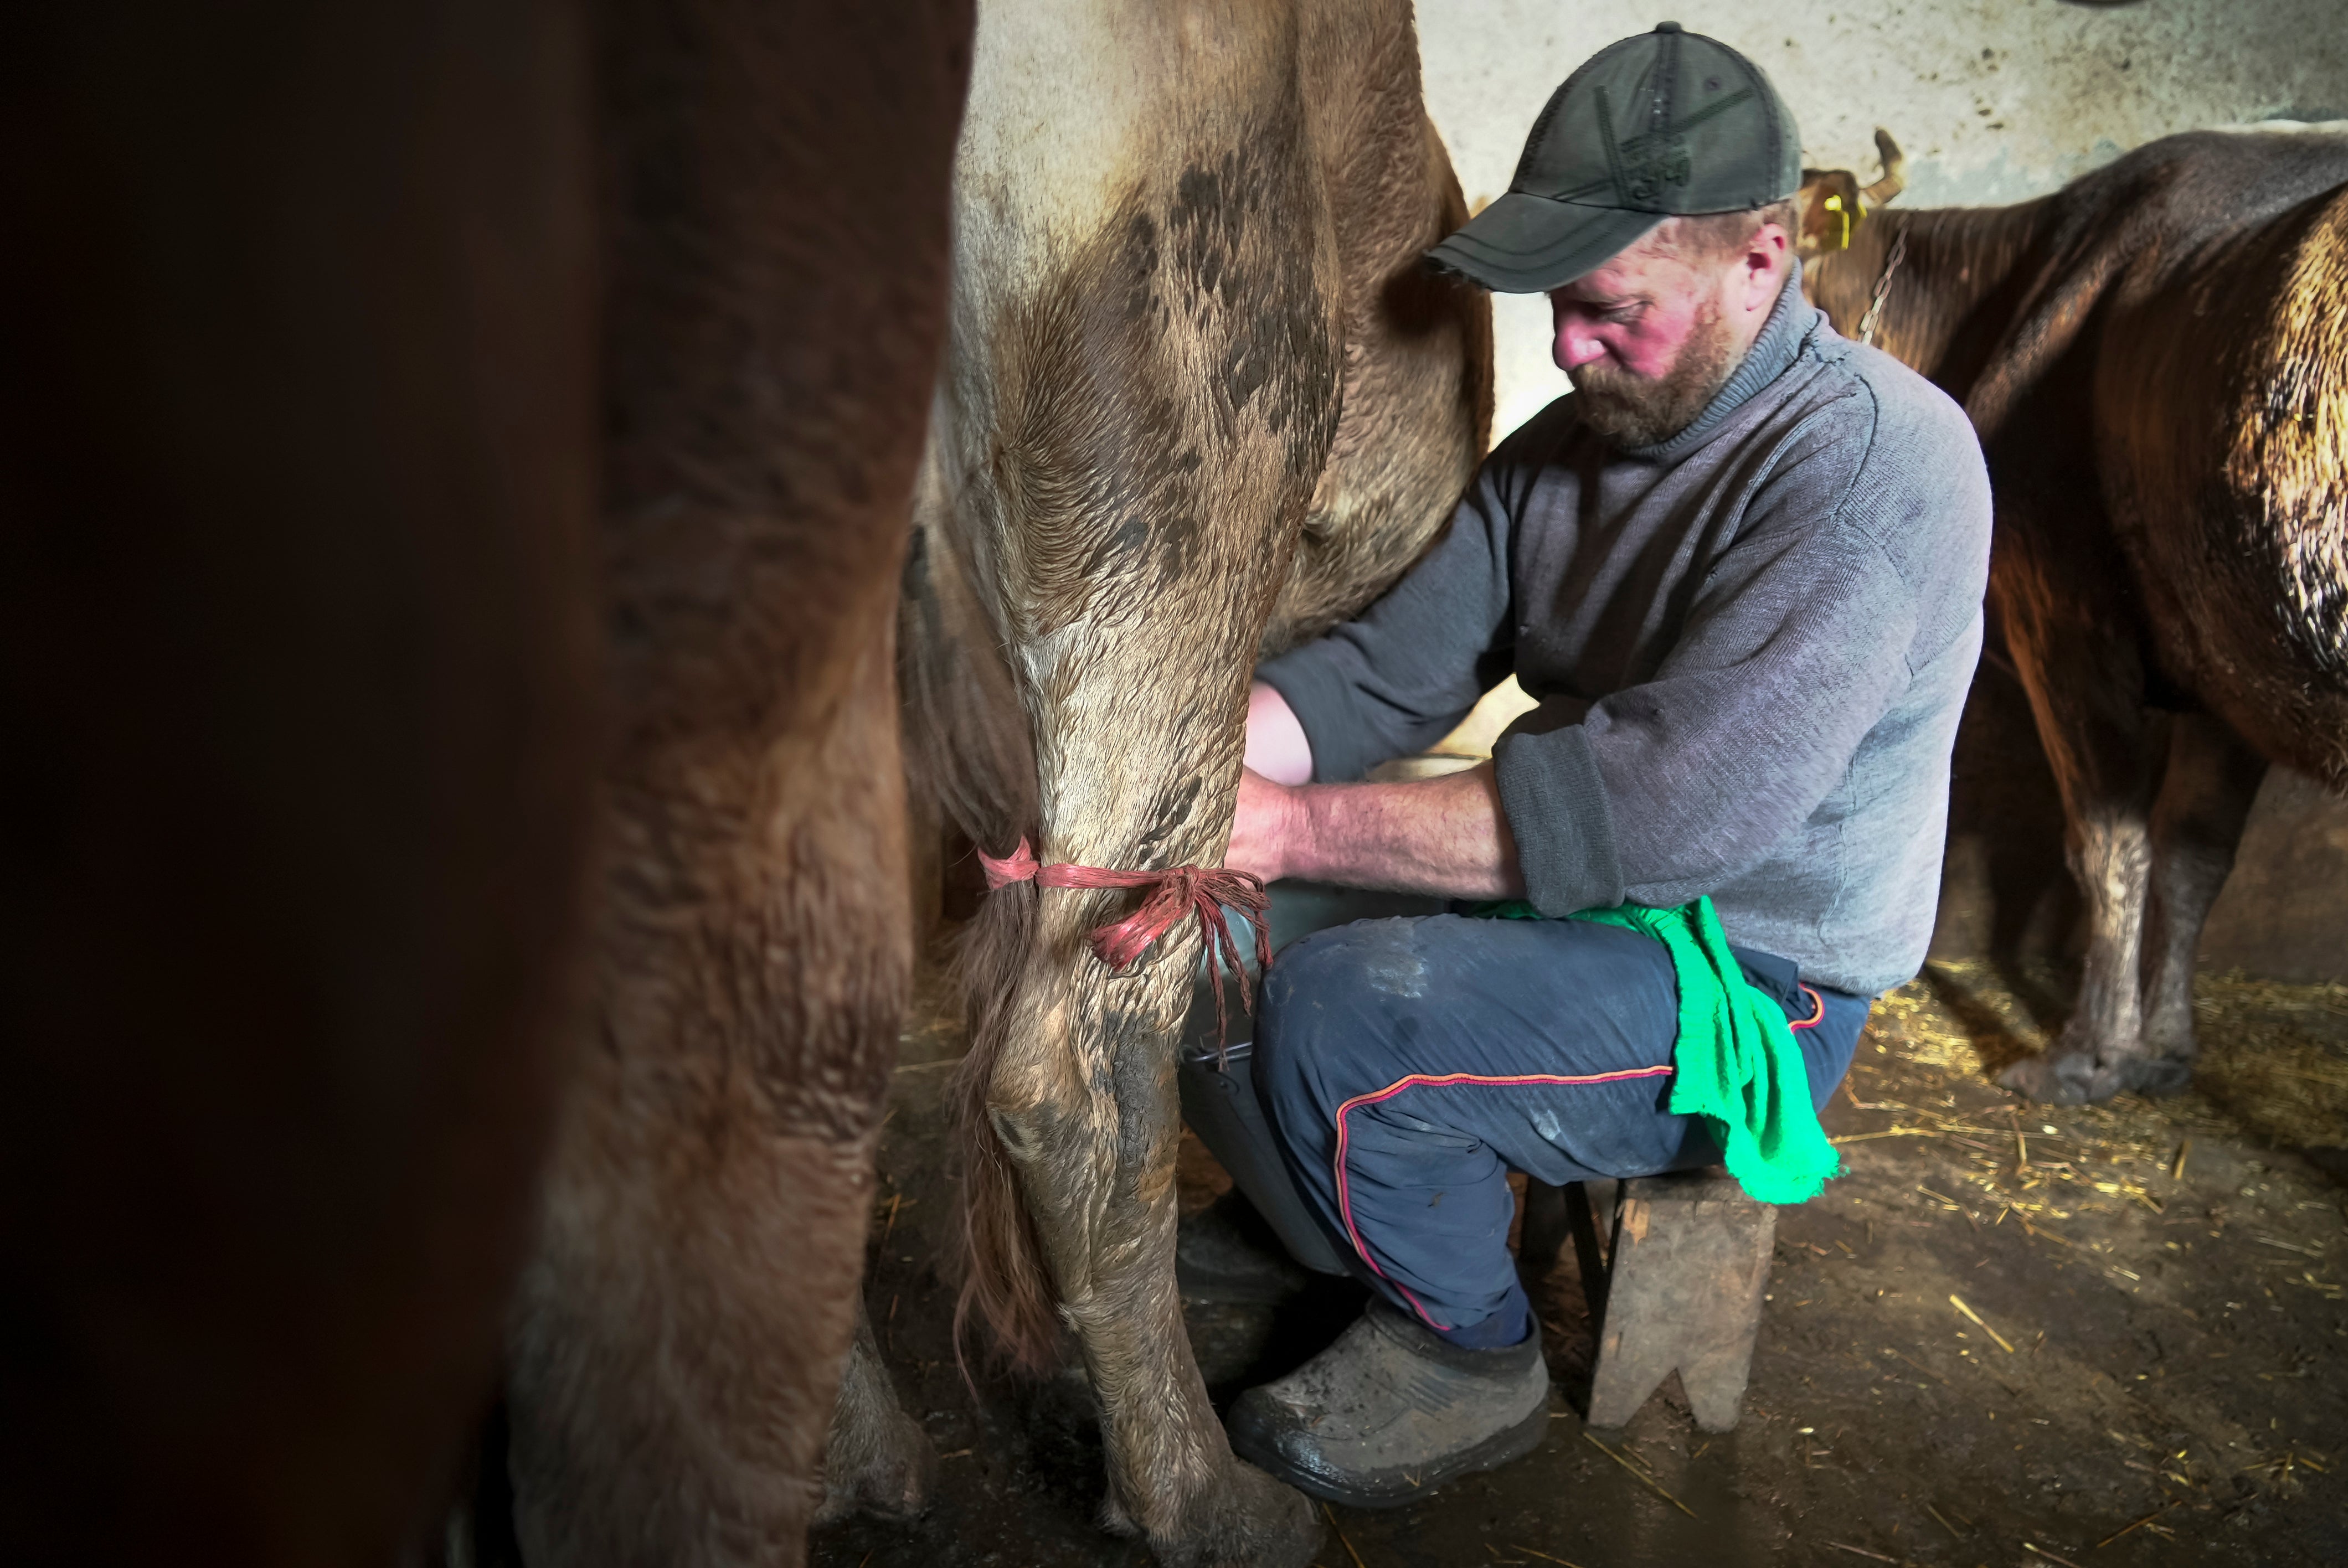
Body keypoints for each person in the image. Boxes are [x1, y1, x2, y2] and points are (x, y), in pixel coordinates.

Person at [1188, 23, 1992, 1508]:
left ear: (1761, 263)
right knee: (1199, 938)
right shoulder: (1567, 453)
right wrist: (1186, 783)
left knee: (1349, 1014)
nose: (1565, 348)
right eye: (1560, 308)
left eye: (1610, 310)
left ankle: (1467, 1350)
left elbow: (1662, 810)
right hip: (1584, 905)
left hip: (1752, 972)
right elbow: (1383, 671)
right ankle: (1319, 1212)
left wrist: (1289, 831)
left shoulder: (1878, 471)